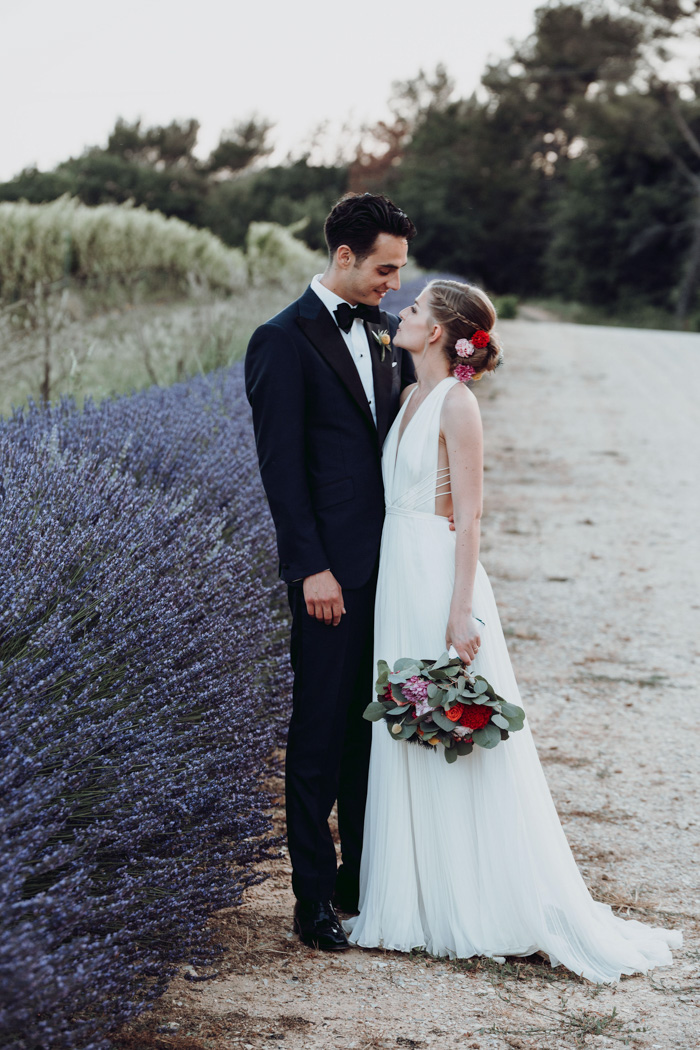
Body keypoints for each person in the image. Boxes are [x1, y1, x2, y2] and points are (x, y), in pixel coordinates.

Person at [343, 279, 682, 982]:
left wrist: (461, 609)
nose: (400, 313)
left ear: (437, 331)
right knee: (403, 726)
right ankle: (412, 899)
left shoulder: (458, 405)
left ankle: (477, 900)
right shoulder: (407, 398)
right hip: (396, 575)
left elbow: (470, 516)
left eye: (413, 309)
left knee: (447, 730)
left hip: (438, 576)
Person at [245, 193, 417, 950]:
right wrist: (310, 568)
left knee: (370, 732)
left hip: (396, 571)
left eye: (402, 271)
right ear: (343, 256)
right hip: (328, 578)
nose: (394, 283)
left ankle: (359, 885)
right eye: (385, 269)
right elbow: (281, 472)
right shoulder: (280, 341)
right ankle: (312, 900)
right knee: (317, 734)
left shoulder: (388, 333)